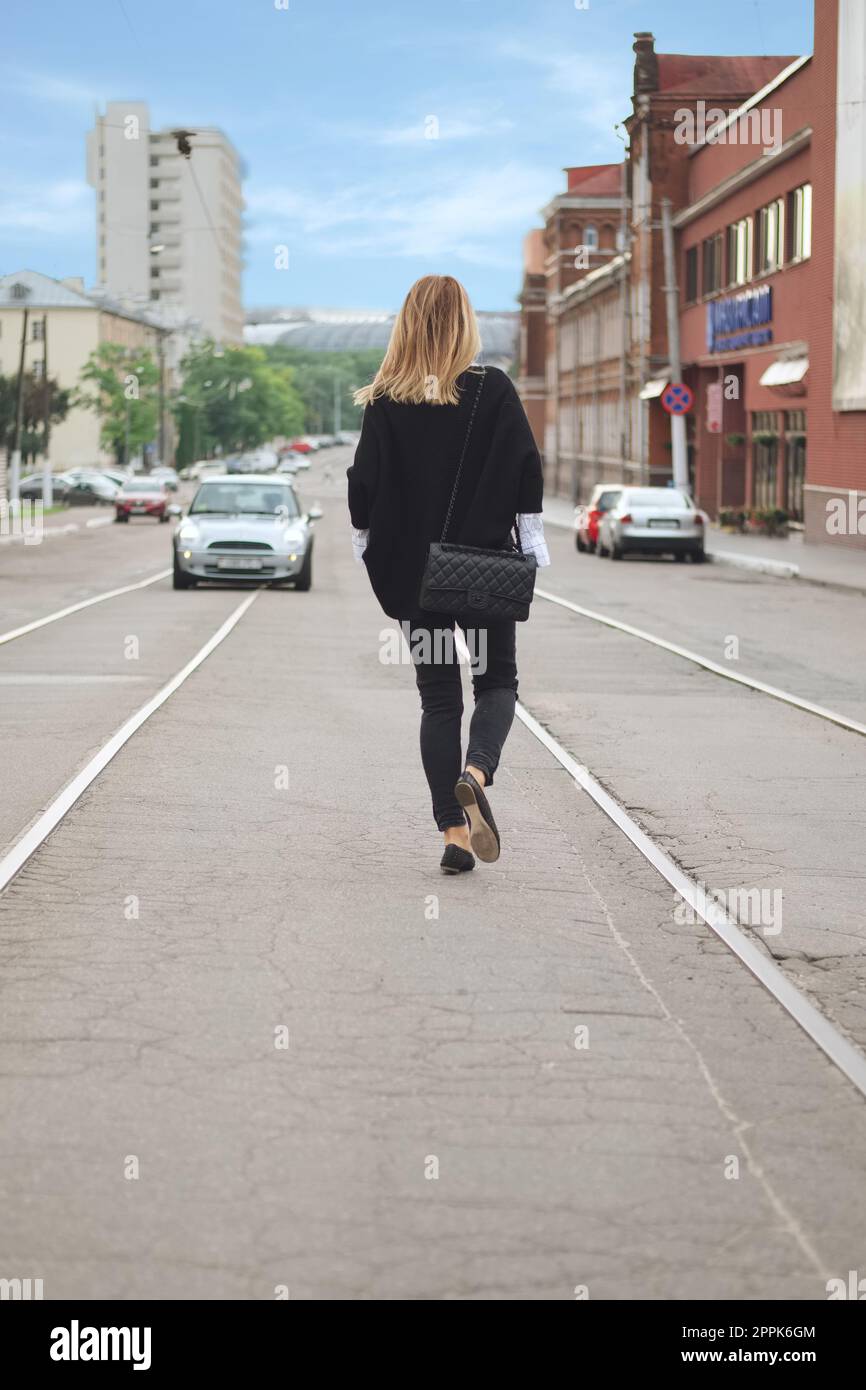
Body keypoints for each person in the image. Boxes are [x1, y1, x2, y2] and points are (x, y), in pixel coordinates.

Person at [346, 275, 549, 875]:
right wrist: (531, 543)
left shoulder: (385, 399)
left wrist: (369, 548)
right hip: (482, 571)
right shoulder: (495, 390)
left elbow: (364, 486)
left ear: (406, 323)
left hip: (416, 579)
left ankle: (455, 835)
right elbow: (526, 471)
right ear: (465, 322)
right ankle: (476, 773)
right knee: (496, 684)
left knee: (439, 703)